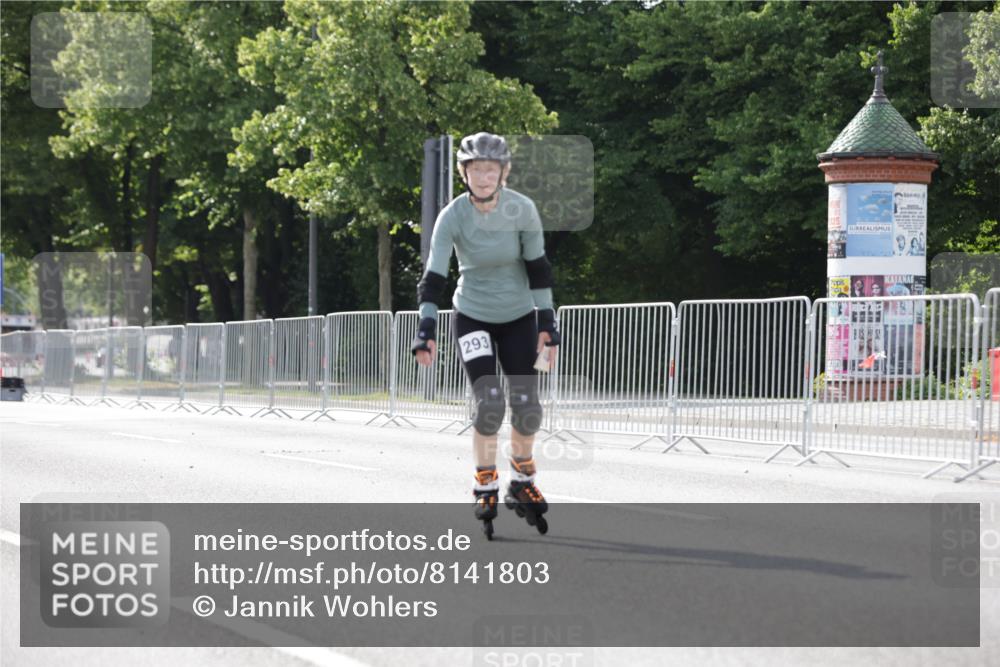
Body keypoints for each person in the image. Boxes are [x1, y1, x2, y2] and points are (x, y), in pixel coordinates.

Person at [411, 132, 560, 539]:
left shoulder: (522, 210)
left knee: (528, 407)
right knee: (490, 403)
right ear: (464, 173)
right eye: (475, 169)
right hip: (472, 315)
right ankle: (484, 480)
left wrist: (547, 324)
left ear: (503, 172)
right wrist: (426, 328)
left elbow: (539, 270)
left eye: (490, 169)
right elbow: (435, 275)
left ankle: (522, 478)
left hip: (517, 317)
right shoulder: (453, 215)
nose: (482, 176)